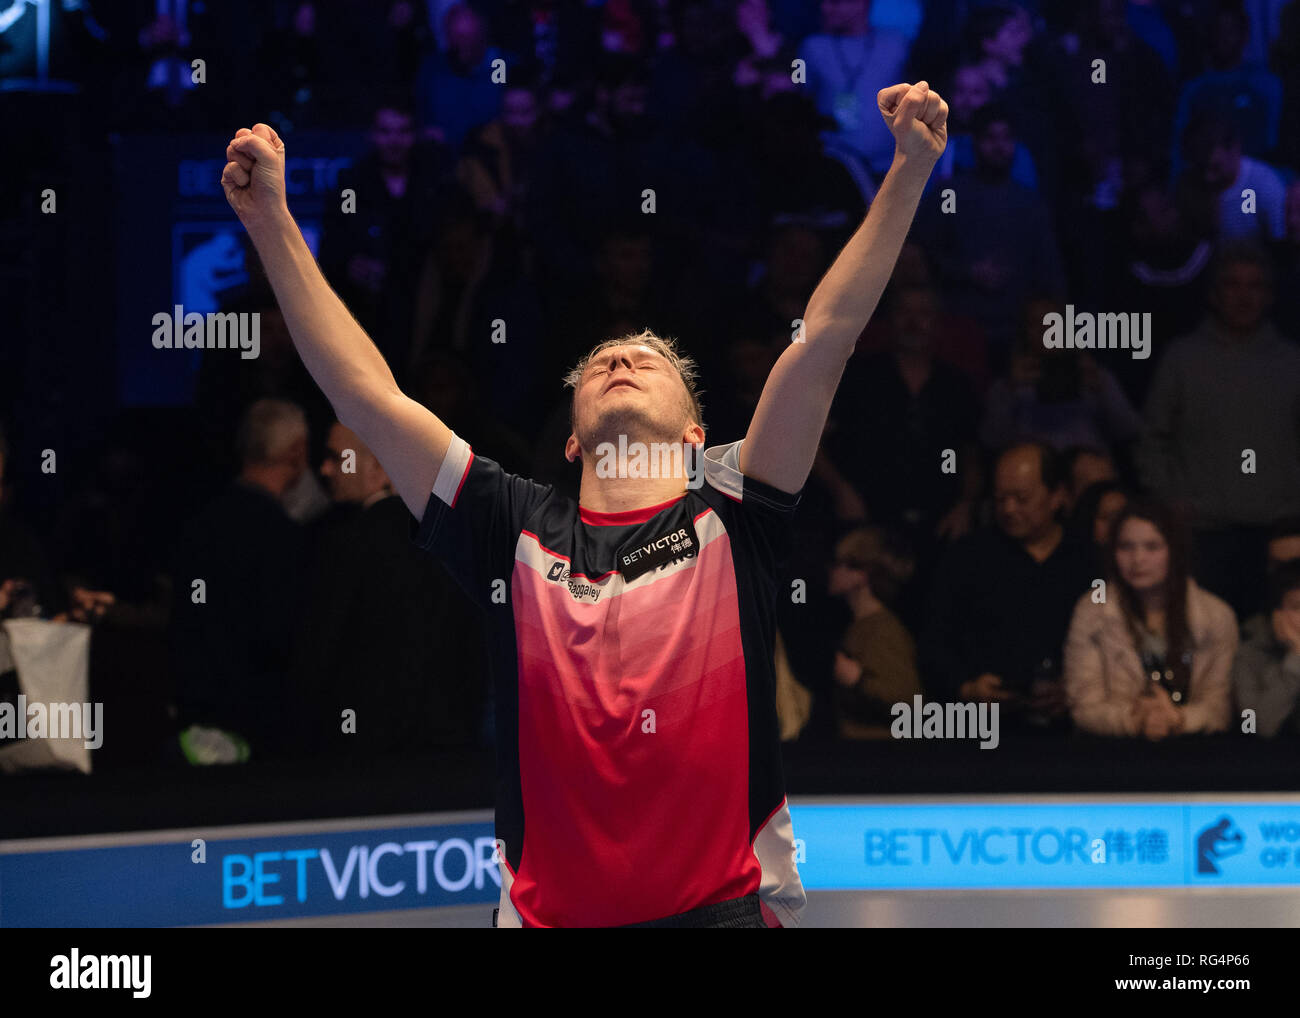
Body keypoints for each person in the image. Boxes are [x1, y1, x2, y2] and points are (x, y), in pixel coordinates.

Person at [220, 81, 951, 927]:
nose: (621, 358)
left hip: (722, 913)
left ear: (693, 435)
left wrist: (909, 170)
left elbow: (825, 335)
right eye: (602, 360)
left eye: (649, 358)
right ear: (572, 442)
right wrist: (272, 220)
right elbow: (367, 394)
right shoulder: (512, 526)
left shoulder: (734, 508)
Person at [1136, 242, 1300, 619]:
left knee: (1277, 648)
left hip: (1279, 532)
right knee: (1204, 639)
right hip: (1203, 534)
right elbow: (1151, 439)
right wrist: (1171, 499)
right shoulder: (1182, 358)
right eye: (1233, 285)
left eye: (1255, 285)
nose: (1244, 296)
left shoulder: (1291, 362)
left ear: (1270, 296)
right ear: (1214, 294)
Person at [921, 442, 1092, 728]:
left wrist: (1078, 689)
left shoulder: (1088, 559)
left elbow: (1114, 641)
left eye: (1022, 498)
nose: (1009, 509)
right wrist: (967, 688)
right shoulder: (967, 558)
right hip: (982, 731)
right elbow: (934, 641)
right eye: (1000, 499)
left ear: (1058, 496)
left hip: (1075, 732)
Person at [1064, 498, 1237, 739]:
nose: (1138, 559)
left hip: (1196, 753)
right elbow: (1083, 706)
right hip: (1110, 753)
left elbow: (1220, 708)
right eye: (1125, 547)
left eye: (1152, 547)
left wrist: (1177, 719)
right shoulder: (1092, 609)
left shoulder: (1216, 615)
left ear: (1174, 551)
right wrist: (1136, 721)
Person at [828, 527, 920, 739]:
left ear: (861, 574)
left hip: (883, 758)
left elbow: (910, 703)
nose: (832, 570)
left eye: (839, 563)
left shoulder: (882, 630)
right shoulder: (860, 625)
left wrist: (857, 679)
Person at [1233, 561, 1300, 737]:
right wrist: (1296, 659)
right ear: (1276, 613)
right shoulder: (1248, 655)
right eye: (1297, 607)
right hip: (1267, 759)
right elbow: (1253, 727)